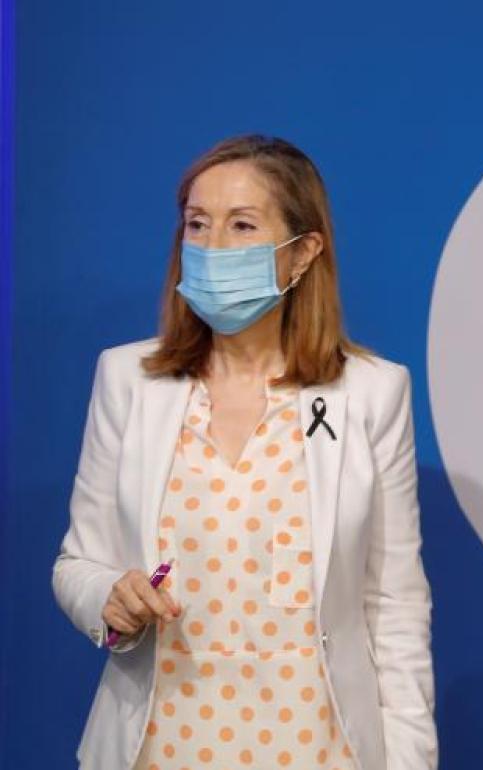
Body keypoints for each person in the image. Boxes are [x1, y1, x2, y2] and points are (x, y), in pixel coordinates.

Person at [52, 135, 436, 770]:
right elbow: (78, 565)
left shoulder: (372, 392)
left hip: (320, 747)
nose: (211, 247)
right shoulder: (128, 379)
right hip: (161, 745)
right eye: (197, 224)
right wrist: (110, 600)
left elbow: (394, 604)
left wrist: (411, 759)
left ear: (303, 252)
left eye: (242, 226)